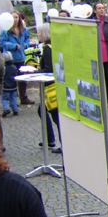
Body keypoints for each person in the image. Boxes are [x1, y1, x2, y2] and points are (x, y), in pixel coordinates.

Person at [36, 23, 62, 152]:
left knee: (55, 116)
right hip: (54, 86)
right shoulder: (53, 45)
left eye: (39, 33)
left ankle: (58, 142)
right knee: (44, 111)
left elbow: (49, 69)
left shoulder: (47, 48)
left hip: (51, 88)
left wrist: (34, 72)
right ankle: (51, 139)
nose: (37, 35)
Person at [0, 10, 33, 105]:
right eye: (13, 17)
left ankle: (23, 97)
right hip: (10, 58)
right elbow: (1, 42)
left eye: (16, 17)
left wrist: (25, 45)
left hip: (20, 57)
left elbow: (27, 38)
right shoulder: (5, 31)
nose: (15, 19)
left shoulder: (23, 29)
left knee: (23, 79)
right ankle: (11, 99)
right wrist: (13, 46)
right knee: (10, 79)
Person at [1, 52, 19, 117]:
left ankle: (6, 109)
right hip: (14, 86)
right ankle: (15, 110)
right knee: (14, 98)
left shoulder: (3, 68)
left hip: (5, 87)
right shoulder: (14, 67)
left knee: (5, 99)